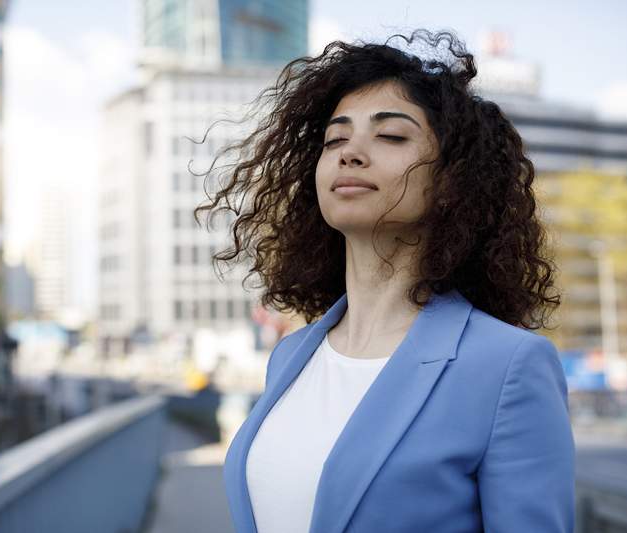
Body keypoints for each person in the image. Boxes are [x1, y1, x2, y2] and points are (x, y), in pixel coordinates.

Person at [194, 29, 575, 533]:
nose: (350, 152)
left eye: (391, 135)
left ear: (451, 179)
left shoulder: (509, 367)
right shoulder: (292, 355)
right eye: (335, 139)